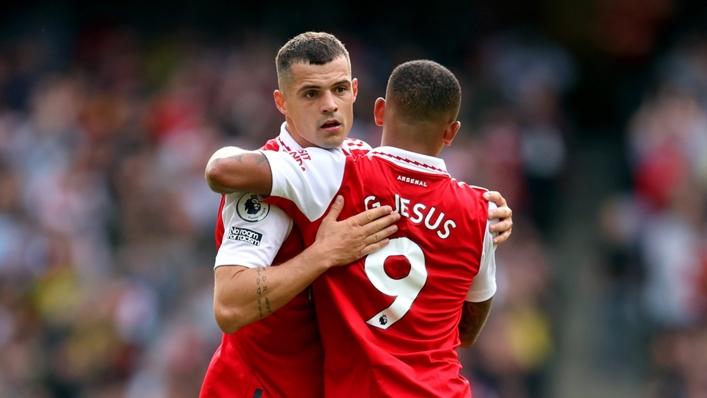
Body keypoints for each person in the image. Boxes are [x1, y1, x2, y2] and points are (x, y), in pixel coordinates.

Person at [201, 32, 513, 398]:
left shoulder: (356, 161)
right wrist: (323, 254)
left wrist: (483, 214)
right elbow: (229, 307)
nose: (330, 105)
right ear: (282, 102)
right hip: (261, 388)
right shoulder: (263, 188)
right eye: (312, 94)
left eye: (339, 89)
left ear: (356, 91)